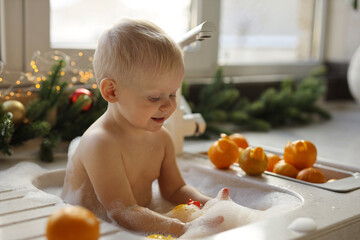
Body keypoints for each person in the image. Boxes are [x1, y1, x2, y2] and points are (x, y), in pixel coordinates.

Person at [61, 18, 222, 237]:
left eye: (173, 94)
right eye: (155, 97)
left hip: (137, 221)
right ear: (112, 92)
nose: (168, 105)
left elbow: (175, 190)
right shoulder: (101, 143)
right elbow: (122, 211)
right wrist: (183, 229)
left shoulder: (161, 138)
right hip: (90, 228)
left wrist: (212, 205)